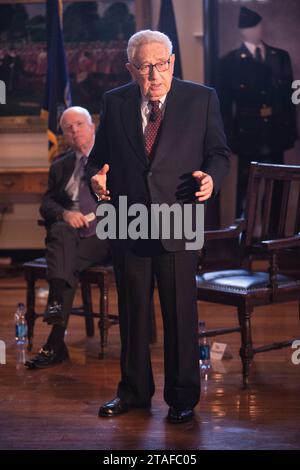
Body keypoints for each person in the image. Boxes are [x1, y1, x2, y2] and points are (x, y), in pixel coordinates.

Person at [87, 30, 230, 423]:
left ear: (173, 60)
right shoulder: (113, 102)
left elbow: (219, 152)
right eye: (145, 67)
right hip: (128, 222)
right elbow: (96, 160)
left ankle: (183, 398)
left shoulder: (202, 99)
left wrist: (212, 180)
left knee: (180, 315)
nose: (155, 75)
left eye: (162, 64)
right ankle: (133, 393)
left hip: (179, 220)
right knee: (133, 316)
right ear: (130, 69)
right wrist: (95, 182)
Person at [25, 106, 110, 370]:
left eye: (79, 124)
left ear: (92, 127)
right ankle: (54, 341)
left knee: (63, 258)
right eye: (68, 127)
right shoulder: (60, 165)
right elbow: (47, 203)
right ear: (63, 134)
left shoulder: (111, 159)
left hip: (103, 233)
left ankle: (54, 334)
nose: (74, 131)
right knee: (61, 231)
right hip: (70, 235)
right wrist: (65, 214)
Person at [218, 6, 298, 217]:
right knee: (247, 188)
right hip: (247, 133)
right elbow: (223, 106)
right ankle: (244, 236)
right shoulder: (230, 62)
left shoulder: (280, 57)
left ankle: (276, 237)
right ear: (242, 31)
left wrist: (290, 131)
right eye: (250, 27)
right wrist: (230, 137)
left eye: (257, 26)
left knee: (278, 186)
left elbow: (290, 98)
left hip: (275, 132)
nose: (255, 31)